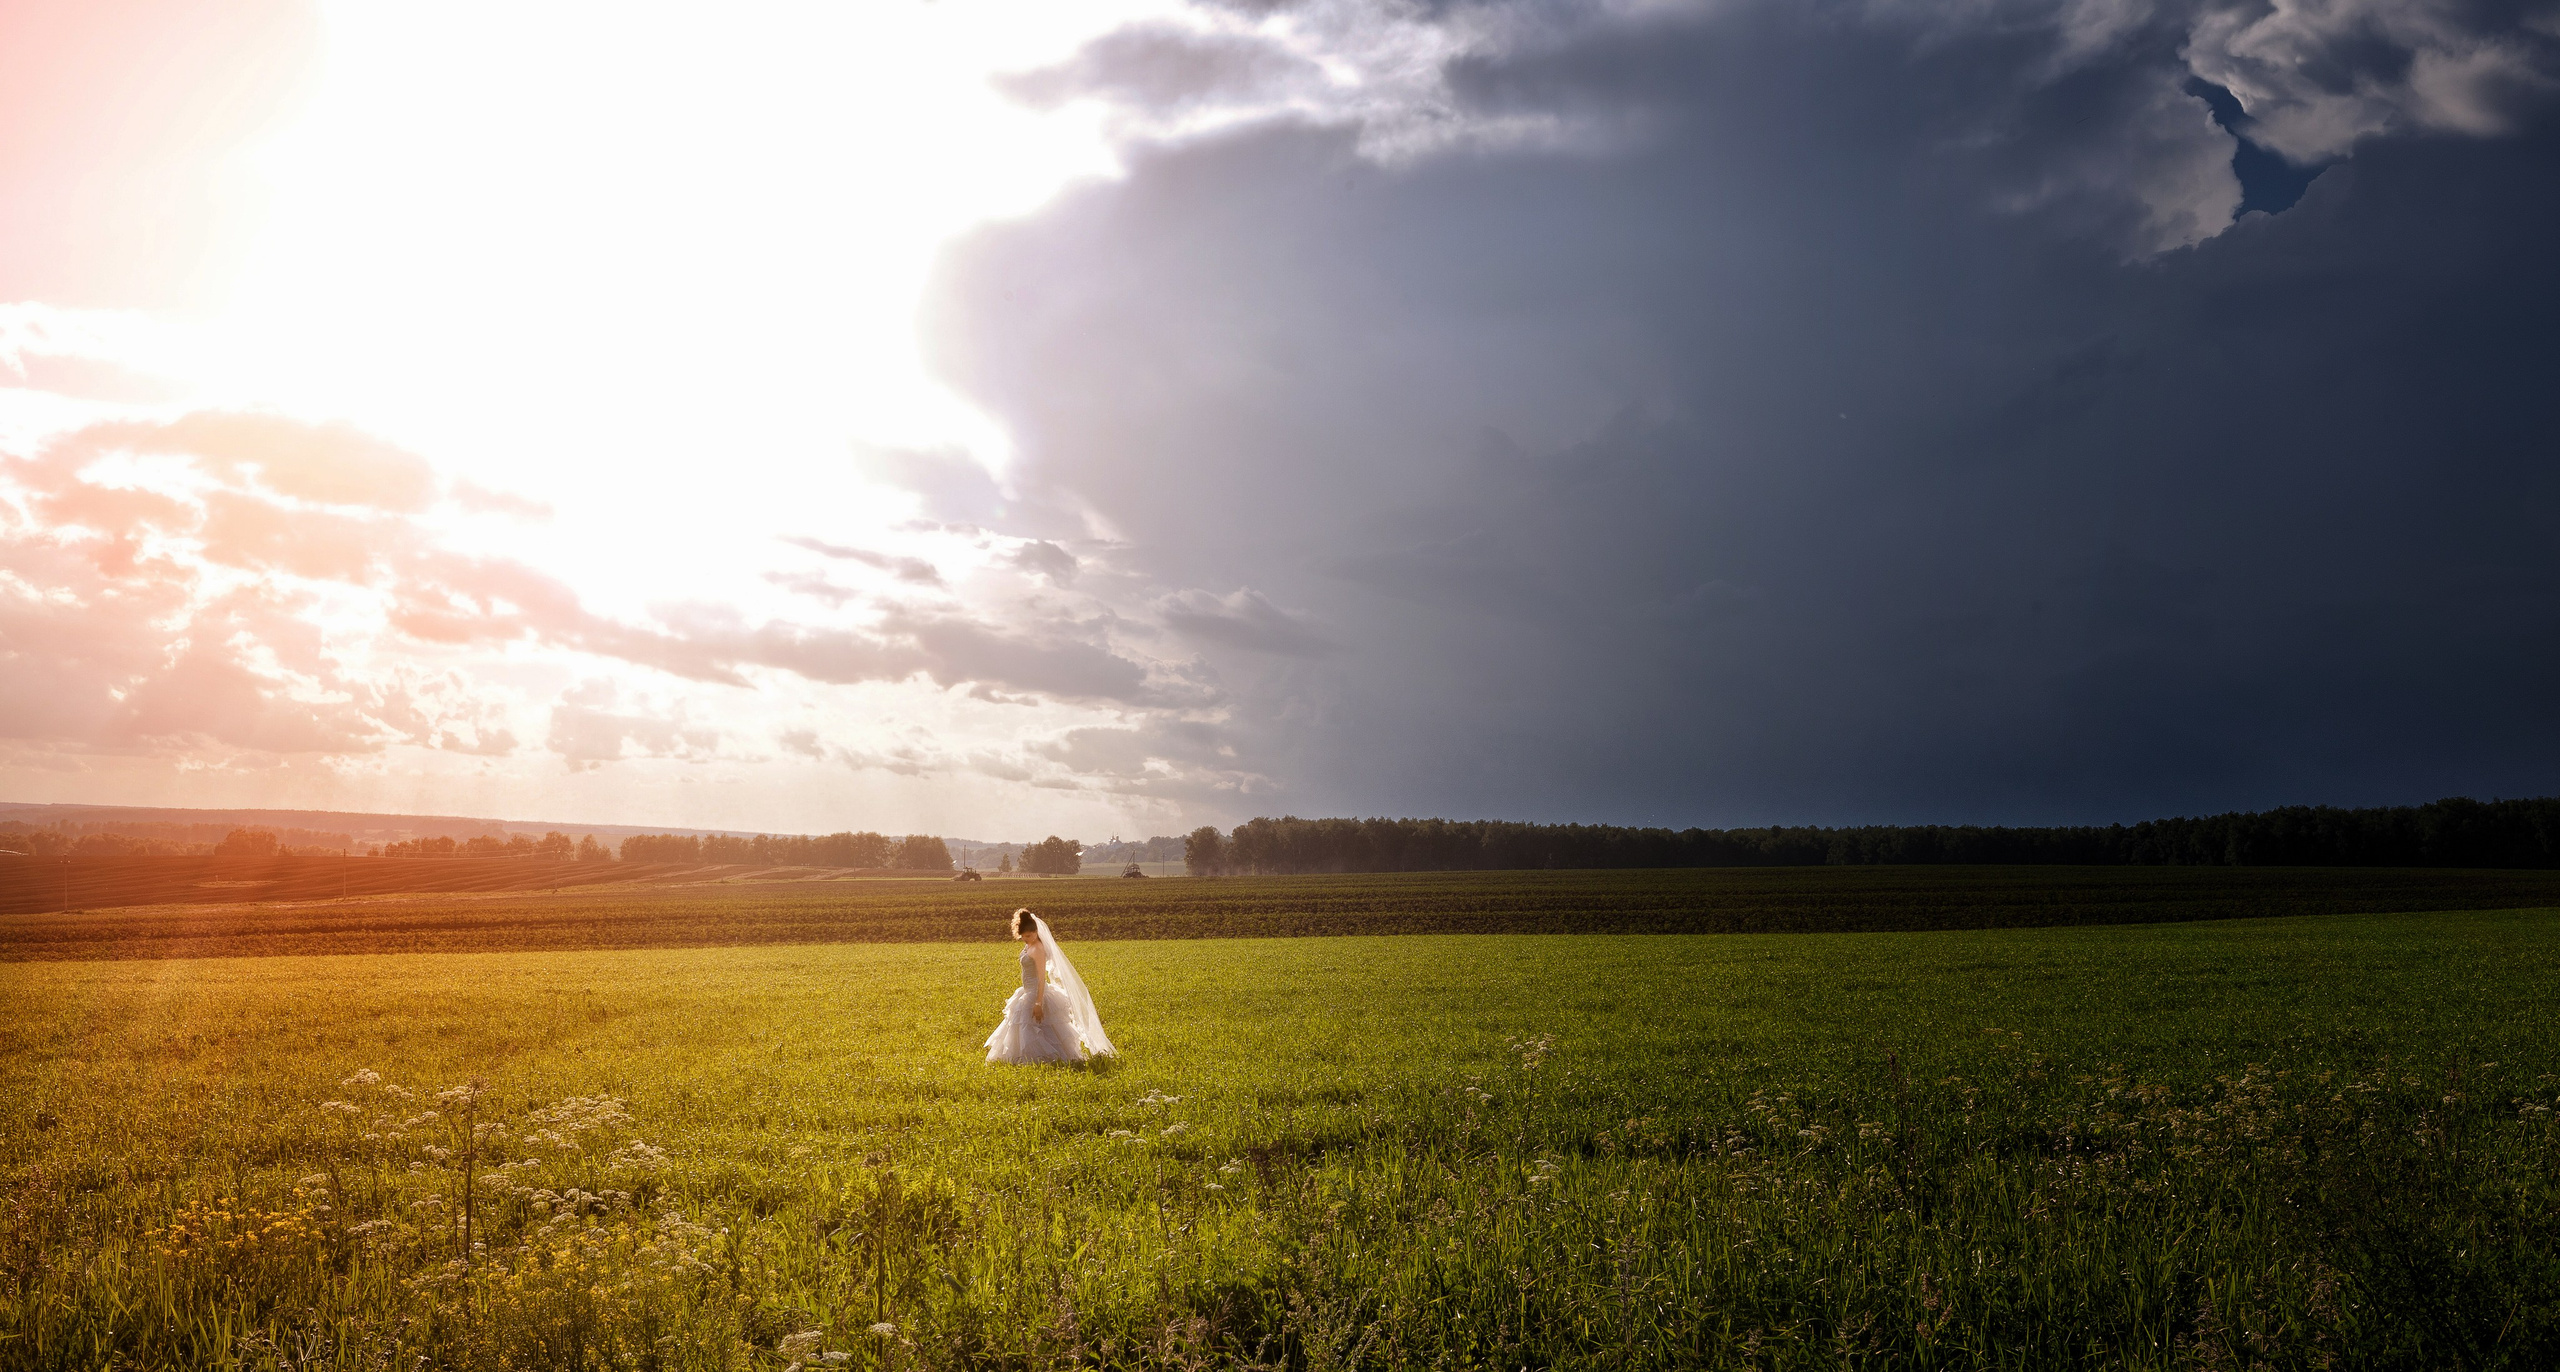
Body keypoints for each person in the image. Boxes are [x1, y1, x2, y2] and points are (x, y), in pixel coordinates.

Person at [984, 908, 1115, 1064]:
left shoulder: (1038, 949)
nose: (1026, 939)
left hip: (1036, 992)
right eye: (1023, 937)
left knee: (1031, 1025)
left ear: (1036, 932)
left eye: (1029, 936)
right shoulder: (1028, 946)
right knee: (1028, 1025)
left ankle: (1041, 1058)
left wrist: (1038, 1002)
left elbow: (1041, 978)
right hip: (1027, 990)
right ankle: (1027, 1058)